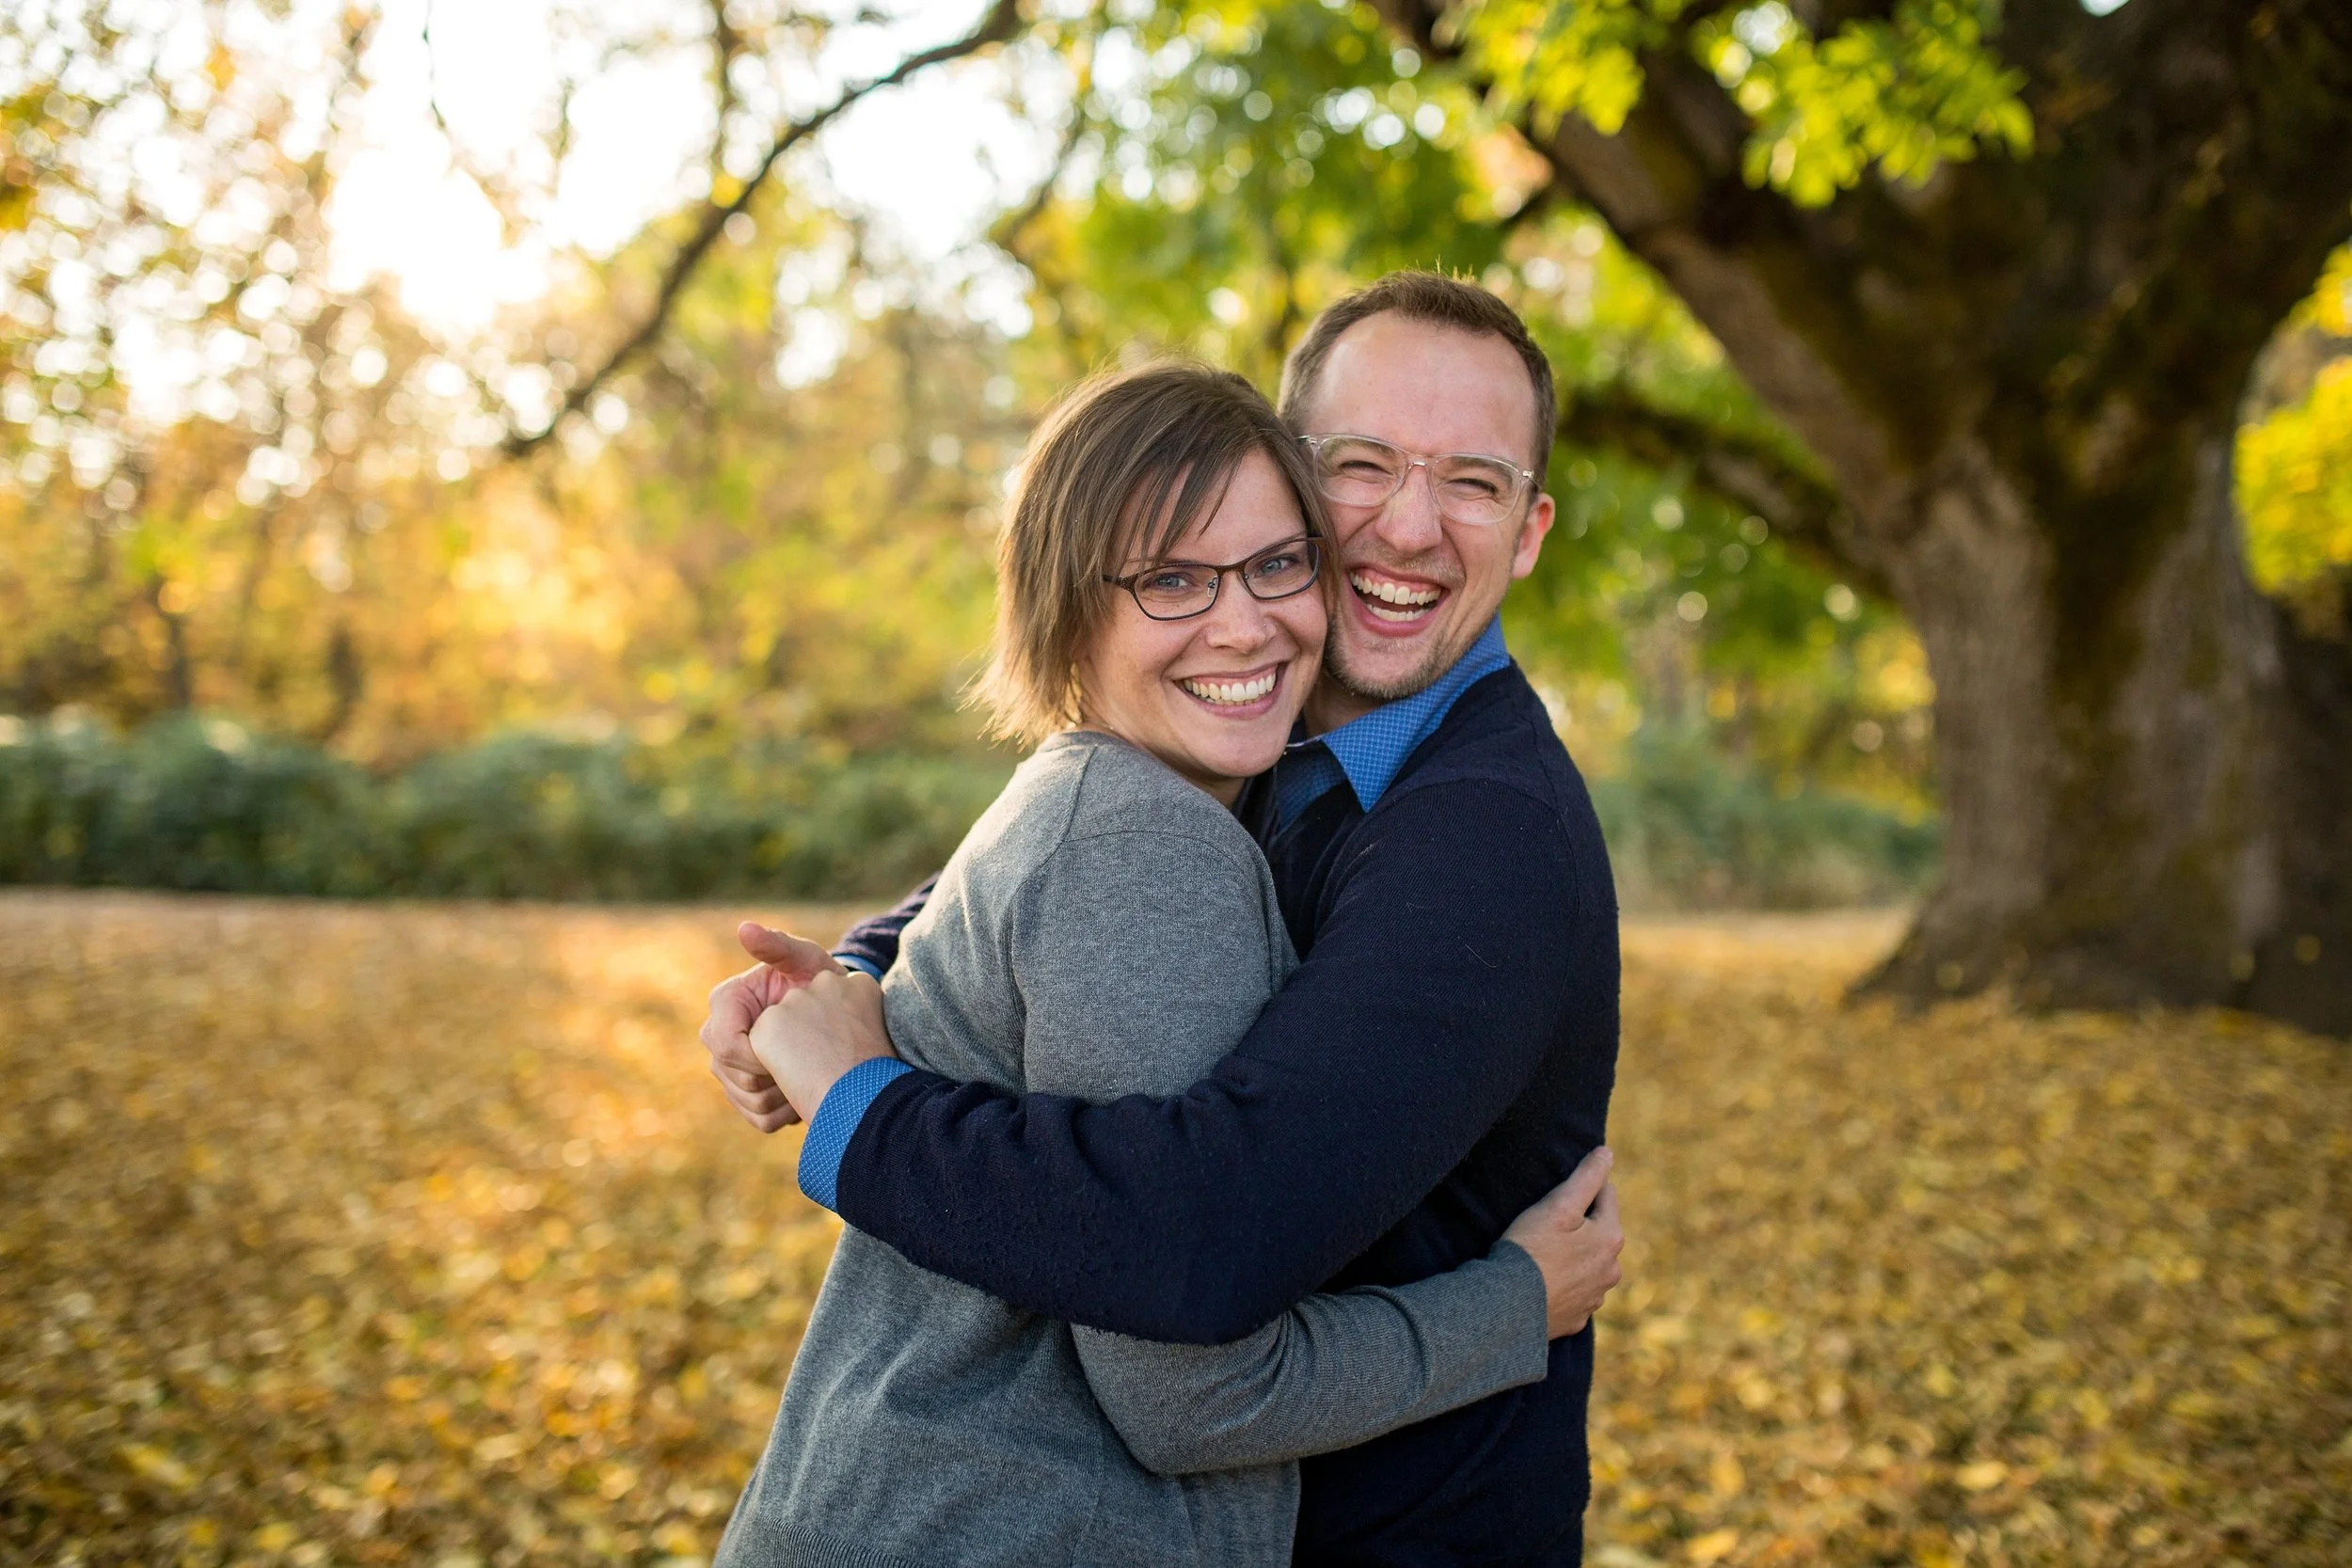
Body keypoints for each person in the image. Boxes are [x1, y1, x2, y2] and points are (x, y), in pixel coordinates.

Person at [708, 273, 1622, 1565]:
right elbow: (1065, 865)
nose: (1409, 527)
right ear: (1300, 479)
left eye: (1470, 482)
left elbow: (1203, 1237)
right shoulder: (1239, 748)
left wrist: (857, 1098)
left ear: (1528, 531)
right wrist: (860, 966)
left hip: (1409, 1529)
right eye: (1363, 465)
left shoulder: (1484, 835)